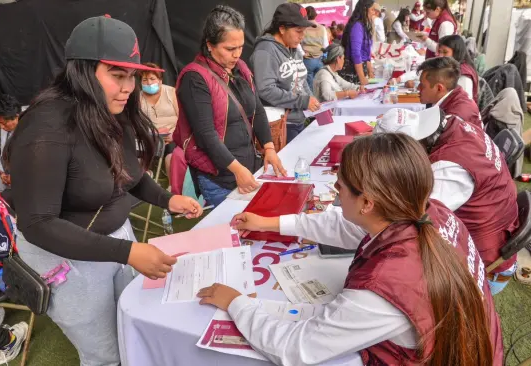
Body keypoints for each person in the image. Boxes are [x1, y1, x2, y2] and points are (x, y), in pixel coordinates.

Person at [201, 133, 502, 365]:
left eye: (340, 186)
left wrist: (237, 303)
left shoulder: (384, 289)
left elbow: (294, 350)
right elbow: (345, 227)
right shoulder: (428, 210)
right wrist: (271, 224)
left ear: (368, 202)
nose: (335, 192)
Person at [4, 16, 203, 365]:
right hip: (66, 258)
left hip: (114, 240)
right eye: (117, 75)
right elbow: (38, 223)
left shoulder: (112, 111)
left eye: (132, 76)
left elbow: (129, 175)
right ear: (82, 70)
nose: (129, 86)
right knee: (107, 355)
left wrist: (167, 199)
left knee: (133, 333)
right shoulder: (46, 125)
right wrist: (127, 252)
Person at [374, 107, 519, 295]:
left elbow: (410, 222)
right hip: (490, 242)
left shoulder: (450, 169)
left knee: (392, 286)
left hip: (486, 269)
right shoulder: (456, 125)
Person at [174, 6, 286, 207]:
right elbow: (206, 135)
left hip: (249, 167)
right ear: (210, 45)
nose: (237, 54)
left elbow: (257, 109)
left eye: (241, 47)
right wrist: (237, 170)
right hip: (221, 177)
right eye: (230, 49)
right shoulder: (195, 78)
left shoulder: (240, 68)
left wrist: (269, 147)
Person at [251, 3, 321, 143]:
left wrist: (313, 101)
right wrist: (303, 101)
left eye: (304, 31)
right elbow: (266, 90)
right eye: (298, 31)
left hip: (298, 119)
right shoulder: (265, 50)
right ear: (282, 29)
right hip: (280, 125)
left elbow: (301, 80)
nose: (302, 36)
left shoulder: (293, 48)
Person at [139, 62, 179, 179]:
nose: (149, 83)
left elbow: (183, 117)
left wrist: (175, 134)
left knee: (171, 156)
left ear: (160, 81)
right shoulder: (138, 97)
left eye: (152, 79)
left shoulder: (172, 92)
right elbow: (136, 121)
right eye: (145, 80)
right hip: (149, 136)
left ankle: (173, 188)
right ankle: (143, 180)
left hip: (172, 136)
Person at [417, 57, 482, 127]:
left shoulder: (452, 121)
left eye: (422, 85)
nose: (418, 88)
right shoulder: (457, 92)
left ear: (439, 88)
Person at [341, 0, 377, 88]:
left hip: (360, 69)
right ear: (365, 9)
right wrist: (362, 78)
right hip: (353, 71)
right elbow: (356, 54)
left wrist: (370, 72)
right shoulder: (357, 26)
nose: (374, 13)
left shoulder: (364, 26)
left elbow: (366, 53)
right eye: (372, 10)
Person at [0, 95, 20, 193]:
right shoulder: (3, 131)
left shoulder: (30, 134)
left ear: (17, 116)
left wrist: (17, 178)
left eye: (4, 123)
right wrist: (2, 173)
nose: (1, 127)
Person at [438, 35, 479, 104]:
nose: (440, 56)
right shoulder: (453, 67)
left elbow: (464, 103)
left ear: (456, 52)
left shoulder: (463, 75)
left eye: (445, 52)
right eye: (439, 52)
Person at [301, 6, 329, 90]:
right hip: (320, 59)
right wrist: (324, 57)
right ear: (315, 15)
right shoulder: (322, 28)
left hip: (307, 59)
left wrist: (303, 53)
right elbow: (326, 45)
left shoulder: (303, 28)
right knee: (320, 85)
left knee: (309, 87)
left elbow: (298, 44)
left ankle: (313, 102)